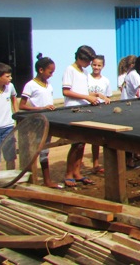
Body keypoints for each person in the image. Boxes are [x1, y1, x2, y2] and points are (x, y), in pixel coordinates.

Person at [62, 45, 100, 187]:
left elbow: (83, 91)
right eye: (88, 61)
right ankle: (68, 173)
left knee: (82, 142)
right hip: (73, 109)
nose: (89, 64)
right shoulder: (70, 70)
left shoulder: (83, 72)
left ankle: (77, 172)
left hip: (83, 109)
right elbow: (66, 91)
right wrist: (86, 97)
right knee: (75, 143)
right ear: (80, 58)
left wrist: (94, 96)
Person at [19, 55, 58, 188]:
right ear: (41, 70)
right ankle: (32, 178)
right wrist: (41, 108)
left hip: (48, 120)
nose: (51, 75)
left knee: (45, 150)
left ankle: (47, 180)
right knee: (36, 149)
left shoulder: (48, 85)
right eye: (50, 72)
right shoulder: (30, 85)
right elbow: (22, 105)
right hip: (37, 122)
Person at [88, 55, 112, 175]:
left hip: (102, 111)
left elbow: (108, 96)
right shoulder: (86, 78)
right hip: (89, 109)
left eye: (99, 65)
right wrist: (97, 95)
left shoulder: (106, 80)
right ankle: (95, 164)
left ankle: (100, 164)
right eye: (94, 65)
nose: (96, 67)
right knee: (93, 138)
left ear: (103, 66)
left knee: (102, 137)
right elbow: (84, 93)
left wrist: (106, 99)